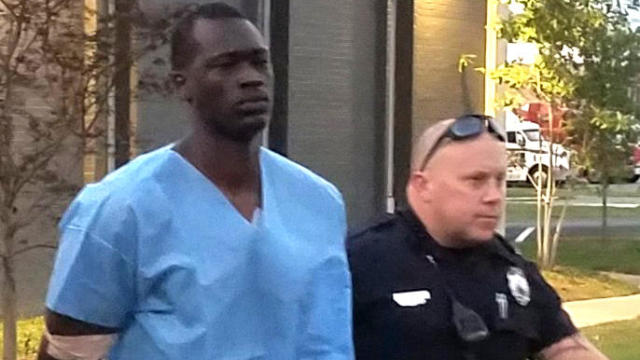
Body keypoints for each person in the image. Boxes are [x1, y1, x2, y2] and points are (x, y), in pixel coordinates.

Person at [37, 3, 353, 359]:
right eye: (225, 64)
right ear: (181, 84)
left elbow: (327, 339)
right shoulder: (120, 209)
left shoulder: (318, 203)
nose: (251, 77)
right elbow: (68, 352)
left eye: (259, 62)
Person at [347, 115, 608, 360]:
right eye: (476, 180)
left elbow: (566, 346)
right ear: (422, 185)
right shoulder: (362, 261)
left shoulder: (509, 269)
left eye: (500, 180)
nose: (494, 196)